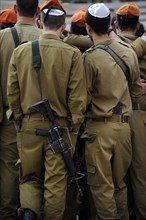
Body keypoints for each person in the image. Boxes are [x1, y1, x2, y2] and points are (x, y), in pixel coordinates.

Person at [7, 5, 86, 220]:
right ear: (63, 26)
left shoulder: (20, 51)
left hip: (29, 126)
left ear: (40, 23)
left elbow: (12, 92)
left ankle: (29, 215)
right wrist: (74, 129)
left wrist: (21, 121)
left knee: (29, 178)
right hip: (60, 129)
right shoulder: (72, 54)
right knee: (56, 183)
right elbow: (77, 99)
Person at [82, 3, 145, 220]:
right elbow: (137, 93)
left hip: (100, 129)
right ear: (110, 24)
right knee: (120, 186)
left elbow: (83, 100)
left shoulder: (89, 58)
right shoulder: (128, 54)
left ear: (88, 28)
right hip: (125, 129)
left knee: (102, 189)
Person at [0, 0, 41, 219]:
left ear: (15, 9)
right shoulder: (47, 38)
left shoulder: (1, 39)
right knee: (37, 173)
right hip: (41, 118)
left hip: (8, 117)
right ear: (37, 11)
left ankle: (7, 215)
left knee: (9, 171)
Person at [116, 3, 146, 219]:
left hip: (115, 116)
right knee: (140, 175)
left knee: (119, 177)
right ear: (137, 25)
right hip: (139, 115)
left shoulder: (110, 45)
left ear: (117, 23)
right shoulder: (139, 46)